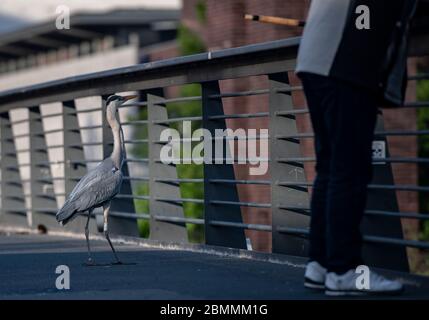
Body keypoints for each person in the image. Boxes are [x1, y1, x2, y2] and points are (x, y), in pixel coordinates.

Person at [295, 0, 418, 296]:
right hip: (344, 63)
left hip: (315, 59)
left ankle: (321, 264)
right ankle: (343, 269)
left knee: (330, 167)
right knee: (349, 170)